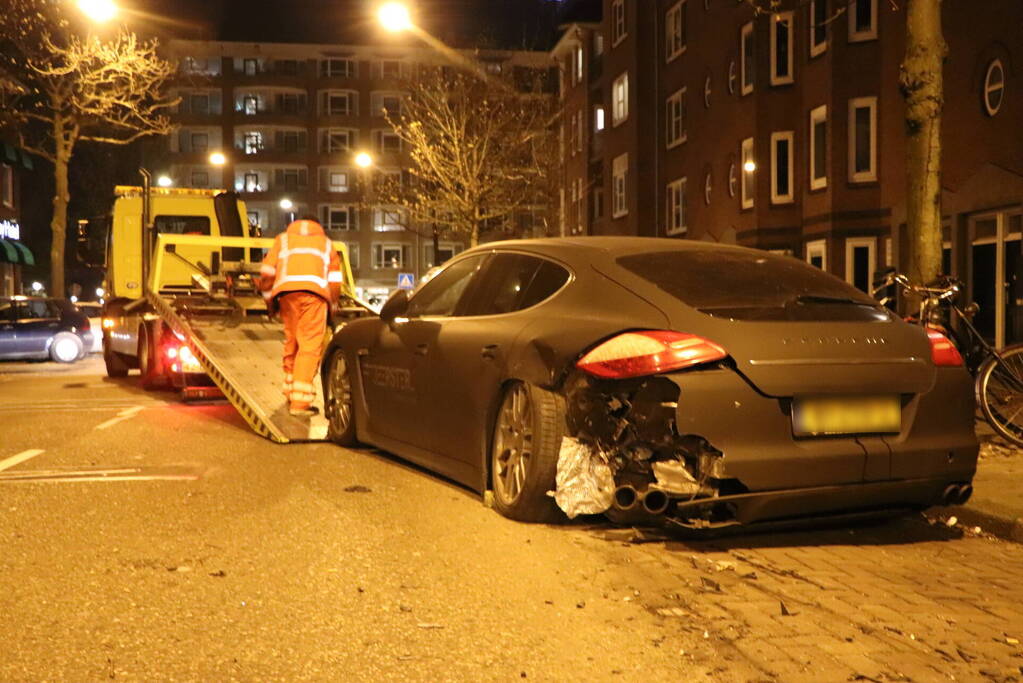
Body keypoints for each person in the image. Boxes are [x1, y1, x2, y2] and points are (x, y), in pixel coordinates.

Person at [257, 217, 343, 417]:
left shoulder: (283, 239)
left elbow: (267, 271)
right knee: (310, 347)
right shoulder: (326, 243)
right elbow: (335, 279)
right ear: (318, 226)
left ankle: (290, 391)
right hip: (315, 296)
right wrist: (334, 304)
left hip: (286, 295)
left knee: (292, 342)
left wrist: (269, 300)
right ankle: (300, 404)